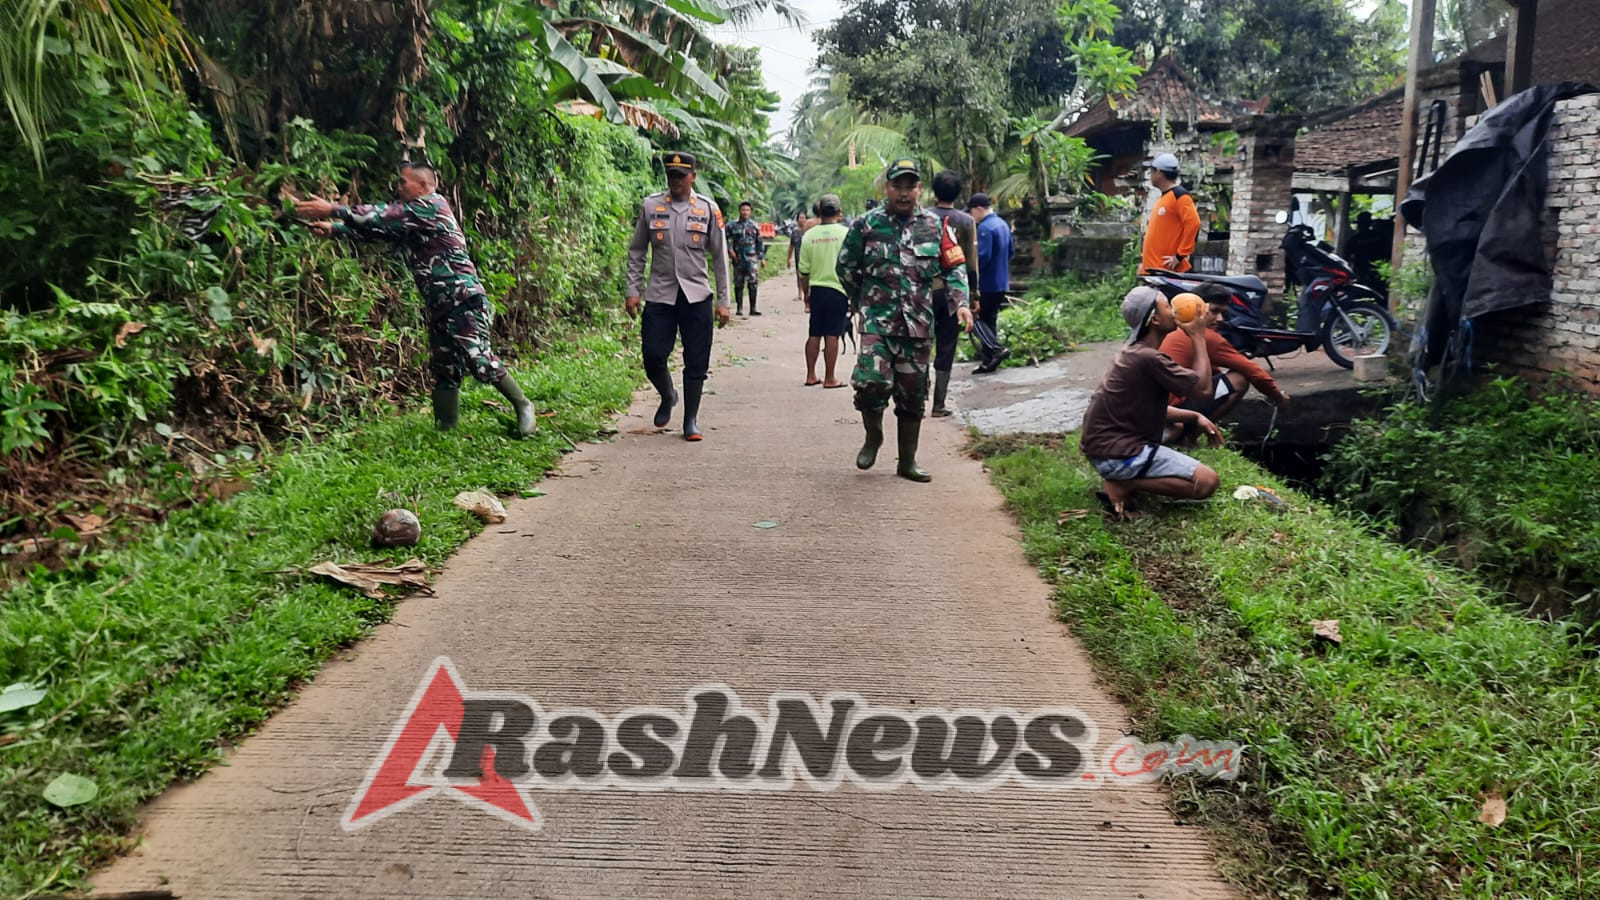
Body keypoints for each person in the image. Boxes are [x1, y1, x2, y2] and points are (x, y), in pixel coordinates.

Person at [294, 162, 536, 437]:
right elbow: (381, 230)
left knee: (478, 359)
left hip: (463, 299)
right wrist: (336, 228)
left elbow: (384, 216)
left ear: (423, 186)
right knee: (445, 368)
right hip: (440, 305)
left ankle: (523, 404)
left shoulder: (431, 206)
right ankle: (445, 430)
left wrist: (334, 209)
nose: (398, 187)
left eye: (403, 182)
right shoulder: (413, 220)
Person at [836, 158, 974, 482]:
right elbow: (845, 266)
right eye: (897, 185)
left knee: (912, 394)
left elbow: (955, 267)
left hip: (918, 325)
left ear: (919, 189)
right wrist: (862, 300)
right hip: (877, 322)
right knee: (871, 382)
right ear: (887, 188)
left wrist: (962, 304)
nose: (903, 192)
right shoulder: (866, 225)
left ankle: (907, 461)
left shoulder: (936, 226)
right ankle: (873, 437)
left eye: (909, 186)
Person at [1080, 286, 1222, 519]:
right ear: (1155, 319)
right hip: (1116, 453)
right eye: (1168, 306)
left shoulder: (1134, 352)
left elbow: (1142, 406)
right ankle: (1124, 484)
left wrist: (1194, 417)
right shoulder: (1149, 358)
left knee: (1175, 428)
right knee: (1207, 482)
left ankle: (1129, 476)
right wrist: (1198, 336)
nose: (1175, 308)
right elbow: (1204, 389)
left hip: (1101, 447)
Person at [625, 152, 733, 442]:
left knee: (697, 361)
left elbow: (720, 258)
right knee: (653, 356)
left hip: (696, 295)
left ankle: (691, 420)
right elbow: (637, 251)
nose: (675, 180)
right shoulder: (651, 206)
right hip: (661, 294)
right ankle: (667, 393)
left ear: (693, 177)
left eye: (681, 176)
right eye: (671, 175)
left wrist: (724, 301)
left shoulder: (708, 209)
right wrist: (632, 291)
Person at [1158, 284, 1290, 443]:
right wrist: (1278, 398)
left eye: (1223, 313)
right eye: (1214, 311)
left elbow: (1210, 369)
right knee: (1239, 379)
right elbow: (1252, 371)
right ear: (1198, 309)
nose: (1220, 319)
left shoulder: (1175, 327)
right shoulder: (1209, 337)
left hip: (1157, 411)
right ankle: (1191, 436)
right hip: (1172, 413)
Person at [927, 172, 980, 415]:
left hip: (925, 291)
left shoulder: (923, 218)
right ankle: (938, 404)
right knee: (946, 345)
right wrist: (973, 296)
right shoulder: (966, 221)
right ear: (959, 193)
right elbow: (970, 261)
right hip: (953, 294)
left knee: (922, 343)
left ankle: (917, 397)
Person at [798, 193, 851, 389]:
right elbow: (852, 266)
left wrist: (806, 296)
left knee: (814, 333)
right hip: (838, 290)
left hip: (817, 290)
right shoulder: (846, 234)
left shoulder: (809, 235)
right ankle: (830, 378)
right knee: (833, 335)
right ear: (839, 212)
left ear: (820, 212)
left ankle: (811, 375)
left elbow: (803, 271)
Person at [968, 193, 1013, 373]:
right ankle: (988, 361)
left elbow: (982, 258)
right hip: (1001, 281)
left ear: (979, 209)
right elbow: (1011, 252)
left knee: (974, 318)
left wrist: (969, 272)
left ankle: (996, 349)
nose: (972, 216)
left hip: (986, 283)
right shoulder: (1003, 224)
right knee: (989, 320)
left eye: (972, 212)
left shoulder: (985, 228)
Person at [1138, 152, 1202, 275]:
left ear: (1159, 173)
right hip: (1153, 269)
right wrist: (1144, 264)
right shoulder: (1164, 198)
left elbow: (1194, 224)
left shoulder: (1180, 196)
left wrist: (1179, 256)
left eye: (1152, 171)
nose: (1150, 175)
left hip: (1166, 271)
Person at [726, 200, 766, 316]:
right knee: (739, 283)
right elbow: (725, 238)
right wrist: (730, 250)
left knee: (753, 282)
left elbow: (759, 243)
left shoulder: (754, 226)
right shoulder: (731, 225)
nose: (745, 212)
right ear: (739, 211)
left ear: (750, 212)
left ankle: (753, 308)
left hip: (751, 259)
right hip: (738, 259)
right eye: (743, 210)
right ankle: (739, 308)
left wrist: (762, 258)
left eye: (747, 210)